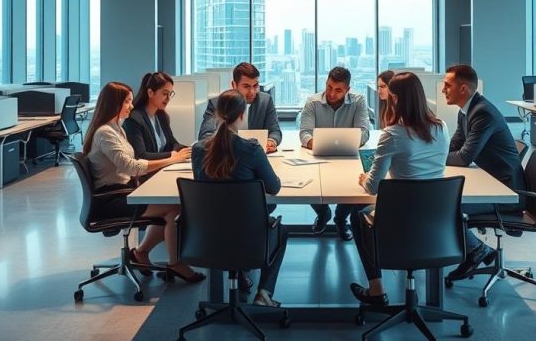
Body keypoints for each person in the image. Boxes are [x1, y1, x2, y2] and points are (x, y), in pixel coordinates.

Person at [82, 82, 203, 283]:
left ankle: (142, 253)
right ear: (114, 104)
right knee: (175, 208)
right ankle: (175, 264)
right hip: (111, 199)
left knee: (173, 207)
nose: (131, 105)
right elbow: (131, 166)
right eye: (127, 101)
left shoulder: (116, 128)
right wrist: (171, 160)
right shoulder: (105, 133)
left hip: (121, 192)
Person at [349, 72, 448, 306]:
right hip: (436, 215)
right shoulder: (441, 127)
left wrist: (364, 177)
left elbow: (373, 187)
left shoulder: (392, 135)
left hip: (401, 217)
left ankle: (376, 289)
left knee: (356, 216)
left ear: (394, 98)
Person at [192, 90, 289, 307]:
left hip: (206, 235)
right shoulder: (251, 148)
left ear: (217, 114)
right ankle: (263, 294)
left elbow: (200, 186)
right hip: (249, 236)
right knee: (281, 231)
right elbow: (274, 187)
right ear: (242, 114)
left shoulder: (198, 150)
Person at [440, 65, 527, 281]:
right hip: (492, 183)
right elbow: (454, 147)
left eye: (447, 85)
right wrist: (435, 153)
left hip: (506, 192)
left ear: (464, 88)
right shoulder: (467, 111)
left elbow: (464, 157)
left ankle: (477, 250)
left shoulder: (482, 113)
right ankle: (472, 250)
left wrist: (431, 158)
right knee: (443, 201)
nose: (443, 90)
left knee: (443, 206)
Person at [299, 66, 371, 240]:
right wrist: (315, 142)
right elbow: (304, 133)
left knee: (354, 187)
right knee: (309, 185)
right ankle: (323, 213)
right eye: (329, 87)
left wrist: (350, 140)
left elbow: (365, 132)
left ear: (347, 89)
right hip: (318, 155)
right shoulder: (312, 102)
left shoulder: (358, 101)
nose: (332, 93)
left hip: (348, 155)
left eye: (338, 90)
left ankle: (340, 219)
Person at [198, 62, 282, 153]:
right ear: (234, 85)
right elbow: (205, 136)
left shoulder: (265, 101)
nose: (252, 92)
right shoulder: (217, 103)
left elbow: (275, 131)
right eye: (246, 86)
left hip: (256, 155)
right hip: (227, 157)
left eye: (255, 86)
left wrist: (271, 141)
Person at [124, 71, 188, 161]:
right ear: (150, 92)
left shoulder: (162, 116)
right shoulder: (134, 119)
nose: (168, 98)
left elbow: (173, 144)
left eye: (170, 94)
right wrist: (171, 155)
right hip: (146, 173)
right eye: (165, 94)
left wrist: (193, 150)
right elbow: (140, 155)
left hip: (162, 168)